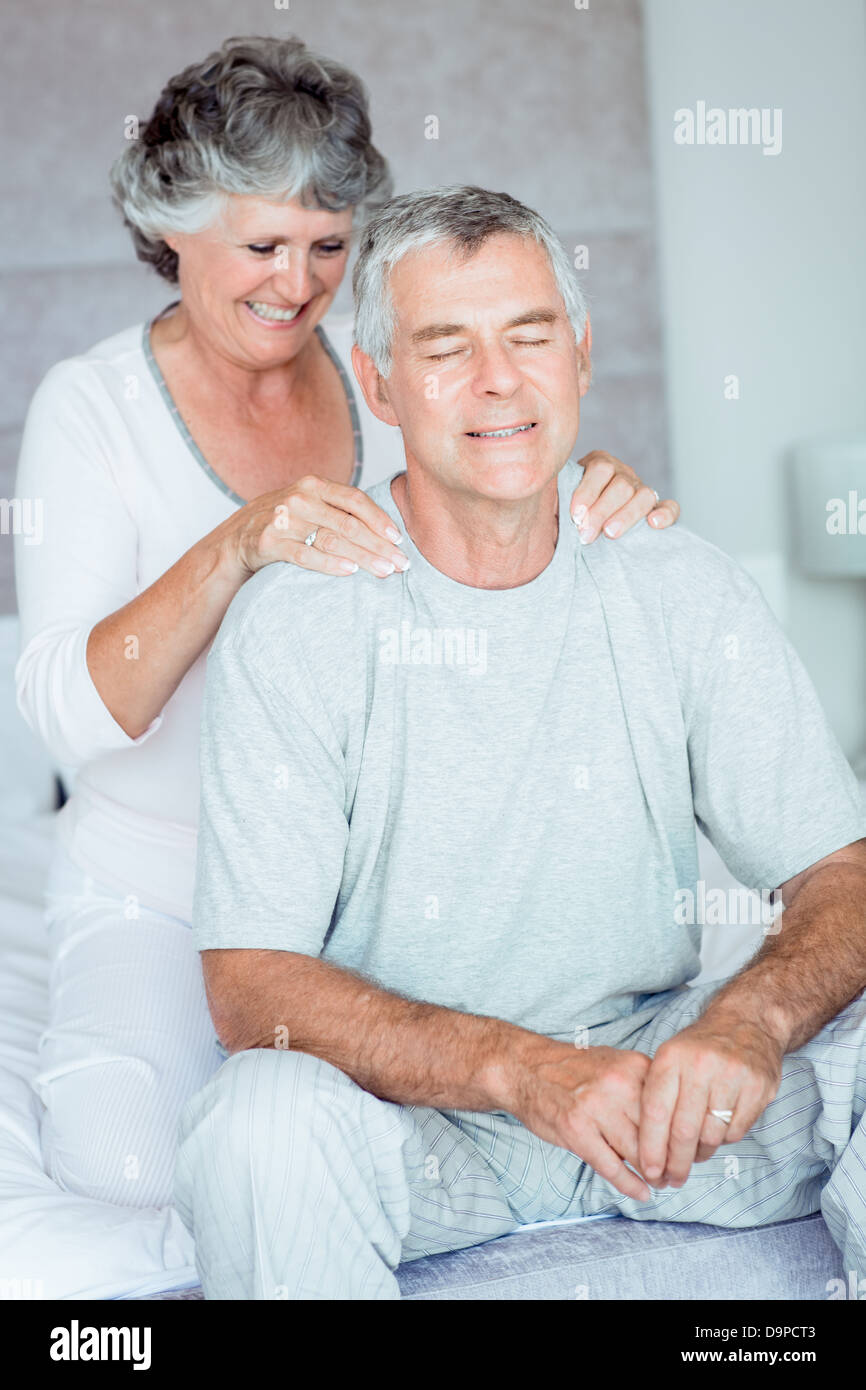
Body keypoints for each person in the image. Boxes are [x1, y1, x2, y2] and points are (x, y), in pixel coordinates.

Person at [13, 37, 675, 1214]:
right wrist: (239, 543)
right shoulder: (91, 407)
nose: (297, 281)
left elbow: (496, 511)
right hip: (162, 892)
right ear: (173, 228)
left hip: (372, 887)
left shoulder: (383, 375)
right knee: (135, 1169)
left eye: (327, 247)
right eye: (261, 246)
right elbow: (71, 718)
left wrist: (583, 492)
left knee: (492, 1109)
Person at [175, 184, 866, 1300]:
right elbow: (250, 986)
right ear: (380, 384)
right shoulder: (298, 622)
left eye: (529, 336)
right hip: (423, 1122)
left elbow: (840, 872)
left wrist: (748, 1020)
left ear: (579, 358)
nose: (498, 380)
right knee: (256, 1122)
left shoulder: (678, 582)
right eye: (446, 348)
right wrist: (521, 1070)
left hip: (659, 1101)